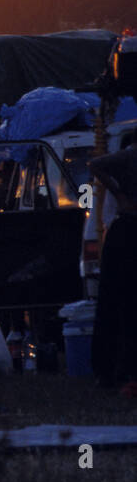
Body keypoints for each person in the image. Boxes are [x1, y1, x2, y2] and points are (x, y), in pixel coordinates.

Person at [88, 141, 137, 389]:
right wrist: (119, 194)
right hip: (127, 231)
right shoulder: (129, 157)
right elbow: (95, 164)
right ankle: (113, 369)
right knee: (121, 302)